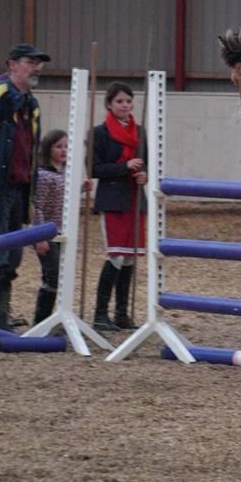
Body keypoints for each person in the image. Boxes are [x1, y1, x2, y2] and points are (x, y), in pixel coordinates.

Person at [0, 43, 50, 328]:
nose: (36, 67)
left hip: (19, 189)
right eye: (31, 61)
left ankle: (0, 315)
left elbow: (31, 152)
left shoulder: (31, 104)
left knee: (13, 256)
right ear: (12, 64)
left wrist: (31, 196)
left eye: (39, 62)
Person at [92, 82, 146, 332]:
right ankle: (100, 313)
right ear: (109, 105)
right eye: (119, 101)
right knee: (116, 255)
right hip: (113, 199)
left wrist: (144, 175)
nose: (124, 105)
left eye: (128, 101)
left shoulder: (141, 131)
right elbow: (95, 169)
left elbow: (150, 164)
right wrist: (124, 168)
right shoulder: (100, 133)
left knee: (129, 259)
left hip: (135, 198)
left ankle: (122, 312)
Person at [31, 129, 92, 325]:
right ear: (48, 149)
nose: (63, 150)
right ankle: (41, 321)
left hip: (62, 232)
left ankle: (53, 320)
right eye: (58, 146)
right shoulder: (43, 175)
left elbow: (67, 198)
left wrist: (82, 188)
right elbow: (38, 206)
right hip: (46, 232)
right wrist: (38, 235)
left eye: (66, 147)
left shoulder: (66, 174)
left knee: (60, 276)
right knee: (53, 275)